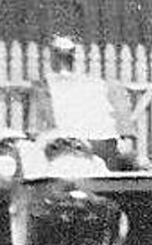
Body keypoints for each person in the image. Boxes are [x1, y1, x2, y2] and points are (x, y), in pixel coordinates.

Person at [26, 33, 142, 170]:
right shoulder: (95, 84)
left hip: (81, 146)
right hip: (82, 146)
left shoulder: (93, 85)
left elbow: (36, 130)